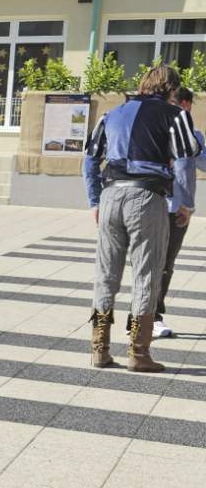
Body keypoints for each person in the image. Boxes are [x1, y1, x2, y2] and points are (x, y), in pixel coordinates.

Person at [84, 64, 198, 371]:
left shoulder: (112, 114)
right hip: (147, 197)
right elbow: (184, 161)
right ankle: (138, 352)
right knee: (146, 276)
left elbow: (90, 160)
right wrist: (186, 203)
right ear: (172, 88)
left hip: (111, 195)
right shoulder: (176, 115)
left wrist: (95, 201)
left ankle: (99, 349)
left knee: (106, 276)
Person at [154, 86, 203, 339]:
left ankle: (153, 316)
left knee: (166, 264)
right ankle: (143, 316)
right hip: (152, 204)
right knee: (150, 263)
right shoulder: (154, 130)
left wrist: (195, 145)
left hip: (177, 209)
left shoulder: (195, 135)